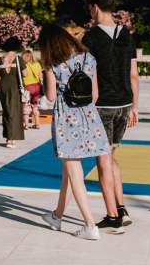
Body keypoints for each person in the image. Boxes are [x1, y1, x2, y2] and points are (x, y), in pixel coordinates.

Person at [39, 23, 112, 239]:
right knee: (68, 171)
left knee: (74, 172)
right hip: (89, 117)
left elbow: (51, 97)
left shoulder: (52, 63)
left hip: (67, 121)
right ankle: (57, 216)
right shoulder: (88, 57)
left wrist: (47, 79)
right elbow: (95, 95)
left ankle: (90, 226)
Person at [81, 0, 139, 231]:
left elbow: (86, 73)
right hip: (124, 103)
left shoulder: (91, 37)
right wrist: (135, 106)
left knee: (103, 161)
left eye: (90, 10)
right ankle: (121, 208)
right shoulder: (127, 35)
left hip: (102, 104)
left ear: (95, 8)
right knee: (112, 156)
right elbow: (133, 74)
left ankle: (113, 216)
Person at [0, 36, 27, 148]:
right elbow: (25, 74)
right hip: (15, 87)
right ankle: (11, 138)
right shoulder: (18, 59)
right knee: (15, 112)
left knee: (6, 111)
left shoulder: (0, 59)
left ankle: (8, 136)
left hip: (3, 86)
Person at [23, 49, 43, 129]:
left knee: (26, 105)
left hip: (27, 87)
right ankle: (37, 124)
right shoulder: (37, 64)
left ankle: (26, 125)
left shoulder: (24, 65)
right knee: (35, 105)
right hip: (36, 87)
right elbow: (41, 78)